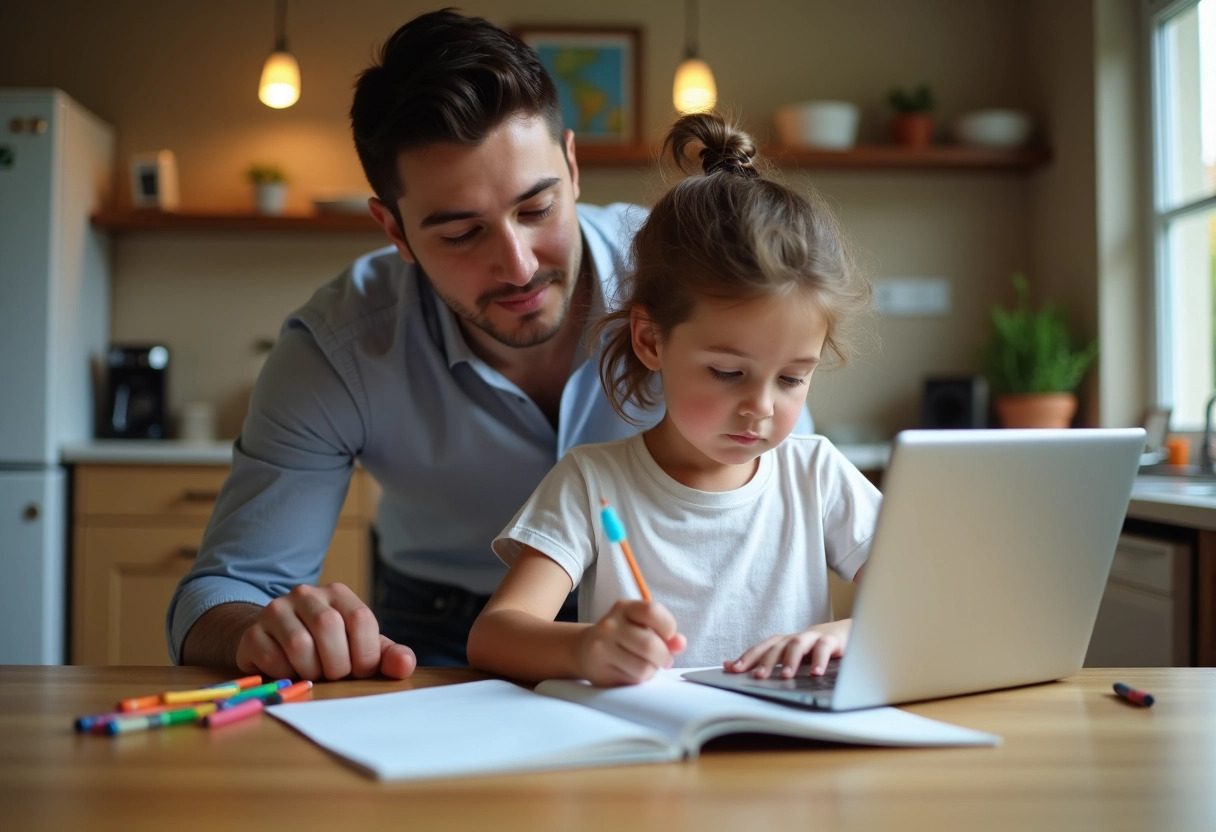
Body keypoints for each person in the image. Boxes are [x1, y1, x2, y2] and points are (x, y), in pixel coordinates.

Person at [166, 9, 817, 680]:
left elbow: (784, 479)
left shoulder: (694, 275)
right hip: (443, 635)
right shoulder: (338, 349)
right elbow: (220, 593)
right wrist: (264, 633)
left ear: (571, 163)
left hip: (674, 629)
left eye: (536, 209)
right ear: (394, 230)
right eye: (460, 234)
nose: (518, 266)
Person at [467, 112, 879, 687]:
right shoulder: (592, 483)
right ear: (650, 339)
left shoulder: (816, 474)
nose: (760, 406)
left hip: (787, 761)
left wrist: (847, 634)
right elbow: (494, 635)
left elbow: (930, 600)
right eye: (728, 372)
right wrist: (586, 648)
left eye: (791, 379)